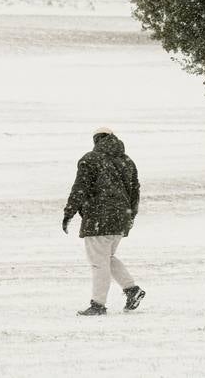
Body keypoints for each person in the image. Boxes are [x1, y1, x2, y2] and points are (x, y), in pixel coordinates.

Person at [62, 127, 144, 316]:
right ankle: (132, 290)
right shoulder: (127, 161)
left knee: (98, 262)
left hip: (99, 216)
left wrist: (69, 213)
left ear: (97, 140)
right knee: (106, 258)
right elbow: (135, 191)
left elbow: (79, 188)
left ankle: (98, 304)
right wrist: (130, 216)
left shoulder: (90, 159)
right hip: (120, 217)